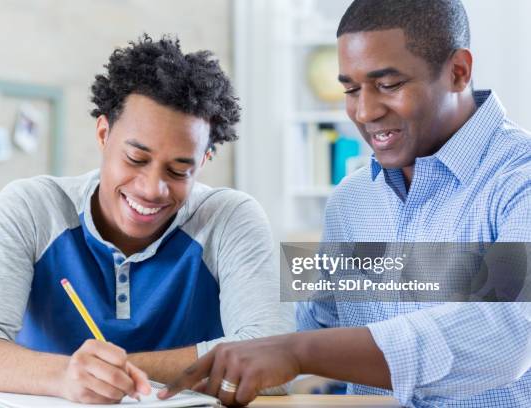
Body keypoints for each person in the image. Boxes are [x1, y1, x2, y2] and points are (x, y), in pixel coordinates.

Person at [160, 1, 531, 406]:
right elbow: (303, 327)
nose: (365, 111)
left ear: (458, 71)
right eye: (351, 90)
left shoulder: (519, 180)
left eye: (388, 85)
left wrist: (298, 353)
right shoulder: (352, 201)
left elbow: (503, 333)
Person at [0, 34, 293, 404]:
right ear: (103, 133)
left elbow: (274, 357)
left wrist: (117, 371)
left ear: (202, 162)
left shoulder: (231, 218)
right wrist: (66, 376)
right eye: (136, 159)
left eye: (178, 170)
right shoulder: (30, 208)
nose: (152, 189)